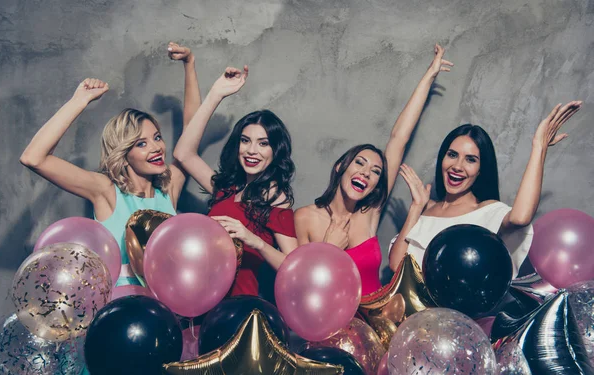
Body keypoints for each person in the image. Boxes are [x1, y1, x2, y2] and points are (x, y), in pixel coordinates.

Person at [20, 42, 200, 375]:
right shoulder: (106, 191)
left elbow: (191, 140)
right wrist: (78, 102)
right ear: (123, 152)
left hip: (164, 321)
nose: (156, 148)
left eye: (157, 137)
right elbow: (33, 157)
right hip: (112, 321)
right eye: (141, 143)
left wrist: (190, 66)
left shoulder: (170, 189)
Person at [294, 45, 453, 296]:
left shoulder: (370, 212)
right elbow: (299, 288)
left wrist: (429, 75)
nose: (367, 172)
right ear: (340, 167)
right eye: (360, 163)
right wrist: (329, 249)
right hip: (328, 330)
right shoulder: (304, 217)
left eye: (376, 171)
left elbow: (399, 138)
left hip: (375, 326)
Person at [389, 101, 582, 278]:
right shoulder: (424, 210)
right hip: (410, 315)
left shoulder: (487, 211)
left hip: (458, 316)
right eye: (452, 155)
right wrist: (416, 207)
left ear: (481, 170)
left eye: (470, 159)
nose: (457, 165)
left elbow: (520, 217)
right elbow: (396, 265)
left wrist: (539, 147)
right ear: (442, 159)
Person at [173, 65, 298, 296]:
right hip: (199, 301)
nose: (252, 151)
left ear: (275, 151)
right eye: (245, 140)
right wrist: (216, 94)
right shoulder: (225, 188)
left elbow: (294, 268)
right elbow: (183, 154)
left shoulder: (276, 200)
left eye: (263, 143)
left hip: (238, 311)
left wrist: (255, 241)